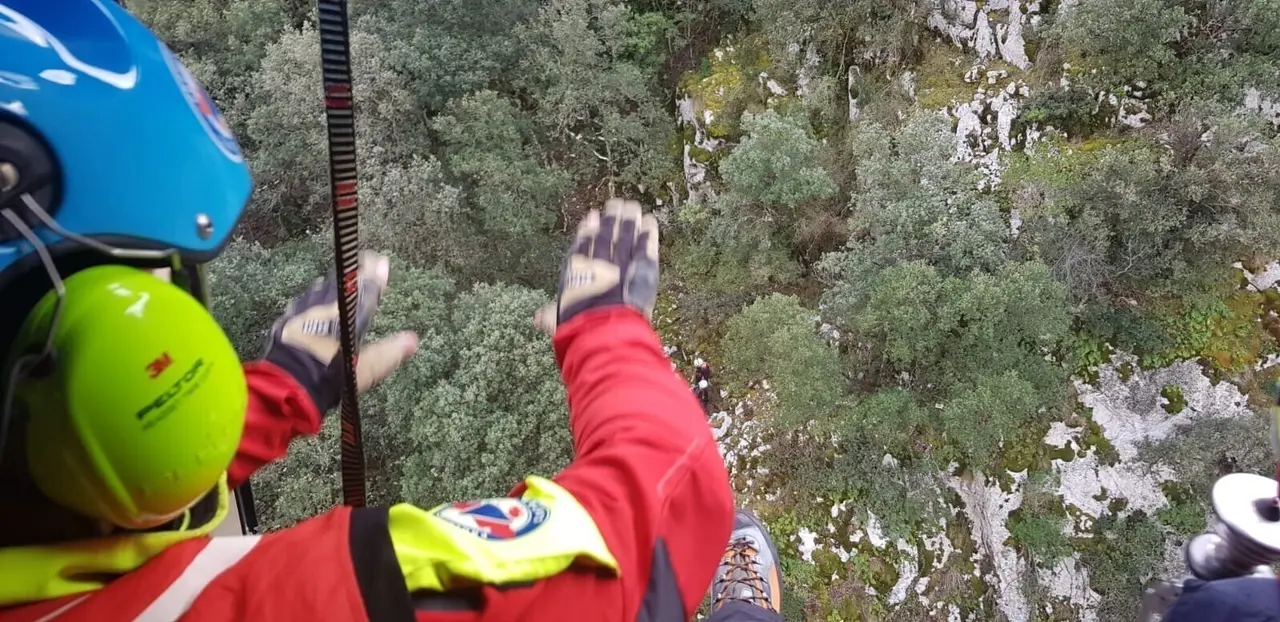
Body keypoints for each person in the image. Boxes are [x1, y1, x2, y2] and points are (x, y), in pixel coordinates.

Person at [0, 2, 733, 620]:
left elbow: (62, 511)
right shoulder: (302, 600)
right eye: (161, 286)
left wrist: (277, 395)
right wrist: (607, 331)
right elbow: (659, 513)